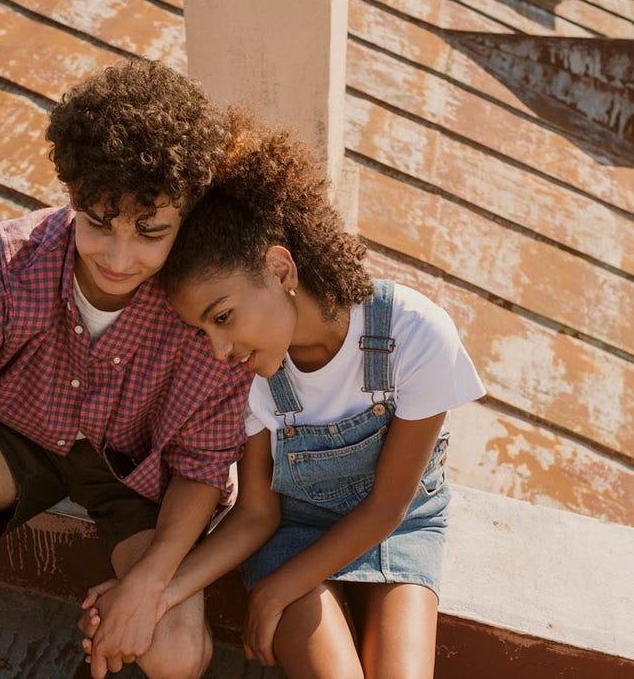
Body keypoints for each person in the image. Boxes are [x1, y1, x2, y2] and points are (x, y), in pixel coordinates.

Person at [0, 58, 252, 679]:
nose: (118, 255)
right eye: (96, 221)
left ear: (185, 216)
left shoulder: (209, 301)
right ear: (72, 196)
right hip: (13, 435)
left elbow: (201, 467)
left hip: (136, 477)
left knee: (176, 651)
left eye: (150, 231)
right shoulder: (14, 258)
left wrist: (150, 583)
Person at [141, 122, 487, 677]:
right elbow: (256, 512)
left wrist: (275, 593)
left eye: (223, 317)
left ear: (280, 269)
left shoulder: (416, 335)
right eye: (204, 331)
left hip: (399, 527)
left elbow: (388, 508)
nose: (221, 349)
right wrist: (155, 595)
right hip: (293, 530)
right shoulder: (250, 378)